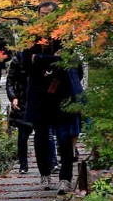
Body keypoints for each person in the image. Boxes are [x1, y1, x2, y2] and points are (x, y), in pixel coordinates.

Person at [28, 38, 82, 187]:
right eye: (43, 12)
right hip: (39, 100)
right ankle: (44, 174)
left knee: (64, 138)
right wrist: (55, 61)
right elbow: (28, 64)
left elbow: (73, 65)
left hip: (62, 97)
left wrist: (40, 59)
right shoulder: (31, 40)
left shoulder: (64, 38)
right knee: (41, 139)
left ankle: (65, 179)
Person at [5, 41, 40, 173]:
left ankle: (50, 164)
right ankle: (23, 164)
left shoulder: (40, 58)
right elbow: (10, 81)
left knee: (44, 134)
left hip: (38, 100)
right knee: (23, 135)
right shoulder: (17, 60)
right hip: (22, 100)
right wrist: (13, 97)